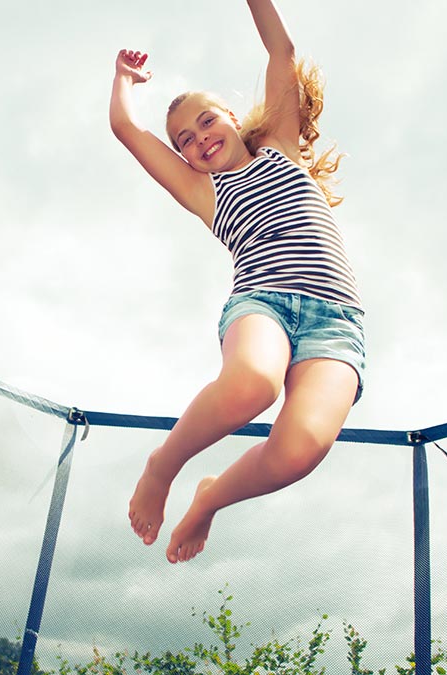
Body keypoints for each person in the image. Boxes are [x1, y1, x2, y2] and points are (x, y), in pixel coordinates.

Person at [109, 0, 365, 564]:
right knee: (253, 382)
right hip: (262, 303)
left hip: (337, 324)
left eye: (206, 121)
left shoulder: (281, 145)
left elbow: (282, 52)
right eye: (184, 140)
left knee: (300, 449)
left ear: (231, 116)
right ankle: (163, 465)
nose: (198, 139)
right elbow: (127, 128)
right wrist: (123, 79)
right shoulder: (204, 192)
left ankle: (209, 499)